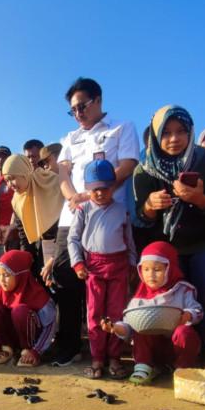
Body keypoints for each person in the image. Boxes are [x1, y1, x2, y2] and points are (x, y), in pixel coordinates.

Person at [50, 77, 139, 367]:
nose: (78, 113)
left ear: (98, 100)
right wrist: (74, 197)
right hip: (73, 215)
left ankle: (110, 352)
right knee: (66, 278)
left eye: (82, 106)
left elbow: (127, 165)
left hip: (108, 215)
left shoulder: (121, 127)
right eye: (73, 110)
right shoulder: (69, 138)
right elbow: (63, 174)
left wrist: (92, 195)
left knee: (109, 292)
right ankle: (69, 345)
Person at [133, 105, 205, 348]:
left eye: (181, 131)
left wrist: (199, 199)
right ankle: (175, 354)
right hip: (166, 249)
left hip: (204, 242)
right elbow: (141, 217)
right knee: (168, 302)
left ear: (190, 132)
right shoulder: (144, 169)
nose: (174, 138)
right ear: (155, 135)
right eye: (166, 132)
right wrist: (150, 205)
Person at [68, 160, 137, 379]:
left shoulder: (122, 210)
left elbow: (129, 240)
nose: (100, 193)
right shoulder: (83, 209)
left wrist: (132, 264)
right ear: (88, 188)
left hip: (119, 266)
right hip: (94, 268)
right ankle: (97, 357)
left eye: (105, 188)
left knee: (117, 312)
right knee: (94, 313)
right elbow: (73, 238)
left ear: (112, 187)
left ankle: (115, 357)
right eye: (95, 189)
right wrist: (78, 263)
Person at [102, 241, 202, 385]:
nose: (151, 275)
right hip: (152, 350)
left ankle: (182, 370)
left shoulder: (182, 290)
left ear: (170, 268)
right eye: (146, 269)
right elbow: (129, 326)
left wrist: (188, 315)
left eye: (157, 269)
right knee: (141, 325)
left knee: (185, 332)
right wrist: (114, 327)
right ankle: (145, 366)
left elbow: (197, 311)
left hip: (175, 346)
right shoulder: (139, 298)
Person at [0, 250, 56, 367]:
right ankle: (6, 348)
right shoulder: (0, 293)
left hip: (32, 342)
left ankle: (27, 351)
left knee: (20, 311)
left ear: (20, 275)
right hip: (11, 338)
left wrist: (37, 351)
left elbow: (50, 326)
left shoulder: (38, 295)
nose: (2, 279)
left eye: (6, 275)